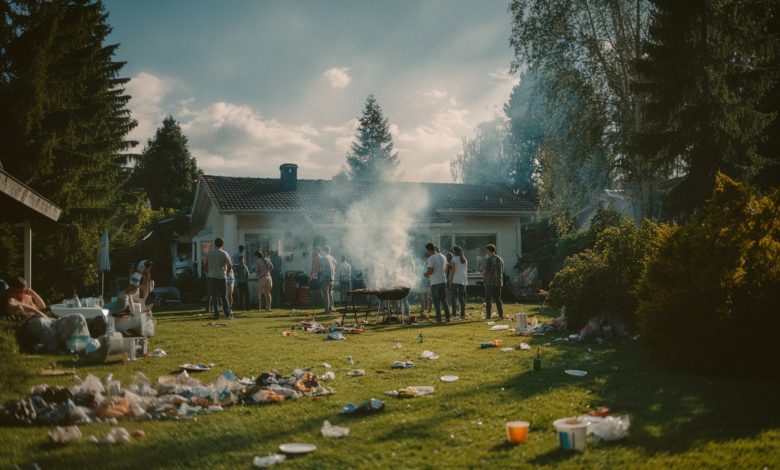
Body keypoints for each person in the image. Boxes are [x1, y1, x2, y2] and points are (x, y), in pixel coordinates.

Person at [2, 277, 100, 354]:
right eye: (19, 291)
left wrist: (33, 293)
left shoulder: (27, 297)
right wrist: (32, 310)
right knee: (43, 323)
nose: (21, 293)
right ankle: (57, 348)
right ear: (13, 290)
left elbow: (42, 306)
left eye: (23, 291)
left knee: (78, 317)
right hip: (34, 321)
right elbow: (17, 306)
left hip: (49, 320)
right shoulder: (12, 299)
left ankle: (84, 346)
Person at [204, 237, 233, 319]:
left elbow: (205, 264)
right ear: (222, 244)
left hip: (212, 276)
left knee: (215, 296)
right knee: (224, 296)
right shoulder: (225, 253)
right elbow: (230, 265)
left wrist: (208, 271)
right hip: (222, 276)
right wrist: (227, 273)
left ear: (215, 243)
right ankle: (227, 313)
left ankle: (216, 314)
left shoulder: (210, 253)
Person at [424, 242, 450, 323]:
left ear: (429, 250)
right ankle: (447, 317)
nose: (427, 252)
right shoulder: (442, 256)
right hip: (443, 280)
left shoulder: (431, 258)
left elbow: (431, 270)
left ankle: (438, 319)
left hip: (435, 282)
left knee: (436, 301)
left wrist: (426, 274)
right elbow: (446, 268)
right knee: (444, 300)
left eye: (427, 250)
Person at [483, 243, 505, 320]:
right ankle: (501, 315)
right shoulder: (500, 259)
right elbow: (502, 270)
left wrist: (484, 279)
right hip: (498, 282)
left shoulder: (489, 259)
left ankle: (488, 315)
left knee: (488, 299)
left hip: (490, 282)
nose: (486, 252)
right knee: (498, 299)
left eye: (487, 250)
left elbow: (486, 271)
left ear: (489, 250)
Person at [450, 245, 468, 320]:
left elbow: (453, 270)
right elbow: (466, 270)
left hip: (456, 279)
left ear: (454, 251)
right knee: (461, 297)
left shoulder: (454, 258)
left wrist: (450, 278)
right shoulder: (464, 259)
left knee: (453, 297)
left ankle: (454, 313)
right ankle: (463, 313)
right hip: (463, 279)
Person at [319, 246, 336, 313]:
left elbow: (322, 269)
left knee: (325, 294)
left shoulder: (324, 258)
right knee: (329, 293)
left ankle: (327, 310)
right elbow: (336, 264)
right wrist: (334, 272)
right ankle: (332, 308)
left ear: (324, 251)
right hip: (331, 277)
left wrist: (320, 277)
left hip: (326, 278)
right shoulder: (331, 257)